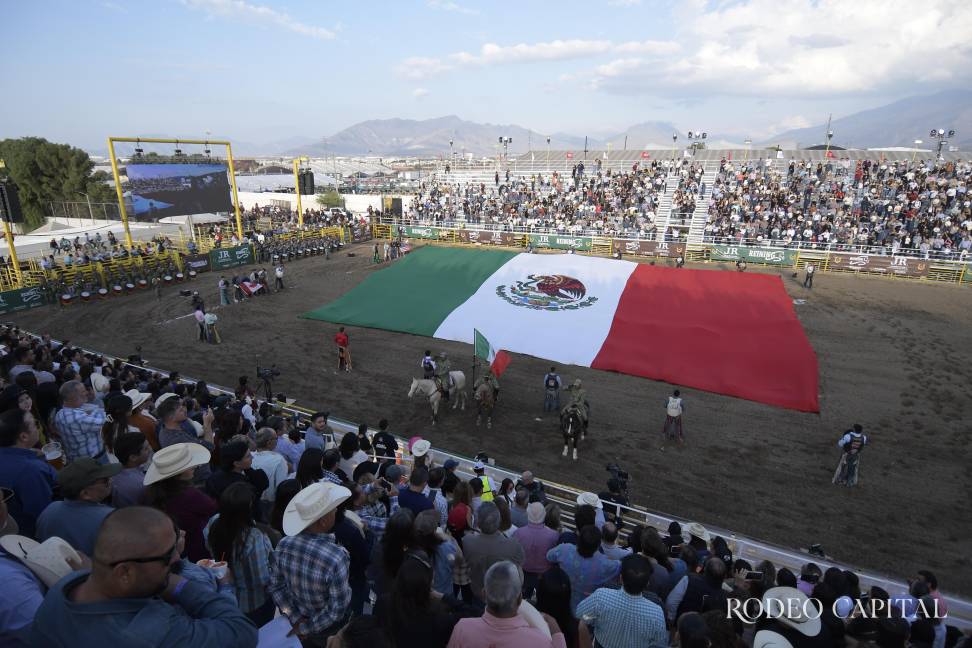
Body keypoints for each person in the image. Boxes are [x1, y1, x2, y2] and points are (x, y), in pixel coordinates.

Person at [30, 506, 258, 647]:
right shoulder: (154, 633)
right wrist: (181, 586)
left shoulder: (64, 589)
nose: (176, 560)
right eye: (166, 555)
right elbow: (242, 631)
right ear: (125, 572)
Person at [268, 481, 353, 645]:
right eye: (333, 509)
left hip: (299, 620)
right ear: (323, 522)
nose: (336, 510)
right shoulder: (337, 557)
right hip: (327, 629)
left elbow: (275, 586)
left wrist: (295, 618)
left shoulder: (284, 544)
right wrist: (306, 628)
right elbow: (337, 610)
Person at [446, 560, 566, 648]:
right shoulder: (539, 641)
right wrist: (557, 633)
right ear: (519, 599)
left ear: (484, 594)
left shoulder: (463, 628)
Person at [205, 482, 276, 626]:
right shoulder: (254, 538)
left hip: (227, 594)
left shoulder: (214, 522)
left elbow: (208, 545)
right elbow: (262, 579)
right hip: (253, 603)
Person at [142, 443, 218, 562]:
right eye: (189, 465)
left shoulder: (150, 493)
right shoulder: (190, 495)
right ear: (178, 474)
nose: (195, 466)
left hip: (171, 549)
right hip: (195, 547)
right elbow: (213, 508)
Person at [576, 554, 668, 648]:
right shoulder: (656, 613)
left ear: (620, 579)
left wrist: (594, 619)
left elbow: (581, 614)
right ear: (647, 584)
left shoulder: (601, 596)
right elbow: (659, 644)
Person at [36, 458, 121, 555]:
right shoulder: (110, 519)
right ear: (85, 494)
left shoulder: (49, 510)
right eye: (105, 481)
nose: (111, 480)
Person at [0, 408, 56, 537]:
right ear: (24, 436)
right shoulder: (31, 470)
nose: (38, 427)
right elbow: (45, 513)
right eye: (34, 423)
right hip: (33, 535)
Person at [546, 525, 621, 615]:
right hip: (585, 610)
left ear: (579, 539)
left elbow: (549, 556)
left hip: (560, 603)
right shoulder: (604, 564)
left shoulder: (564, 549)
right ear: (598, 545)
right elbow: (620, 566)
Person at [461, 502, 525, 608]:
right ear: (499, 521)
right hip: (503, 596)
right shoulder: (514, 545)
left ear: (479, 523)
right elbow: (520, 567)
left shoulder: (467, 541)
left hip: (477, 593)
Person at [54, 380, 109, 464]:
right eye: (83, 391)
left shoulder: (60, 413)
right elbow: (108, 421)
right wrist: (95, 412)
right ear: (73, 396)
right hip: (94, 461)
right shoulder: (77, 418)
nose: (86, 392)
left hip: (76, 460)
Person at [514, 501, 560, 599]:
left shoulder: (518, 533)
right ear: (544, 515)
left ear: (528, 514)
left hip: (523, 575)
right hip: (543, 578)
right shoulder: (554, 536)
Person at [110, 432, 151, 508]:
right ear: (133, 457)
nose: (150, 449)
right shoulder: (142, 484)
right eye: (146, 448)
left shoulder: (113, 472)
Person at [250, 428, 288, 508]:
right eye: (276, 438)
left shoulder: (248, 456)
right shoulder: (279, 460)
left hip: (249, 501)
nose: (277, 440)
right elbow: (281, 488)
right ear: (269, 442)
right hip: (269, 505)